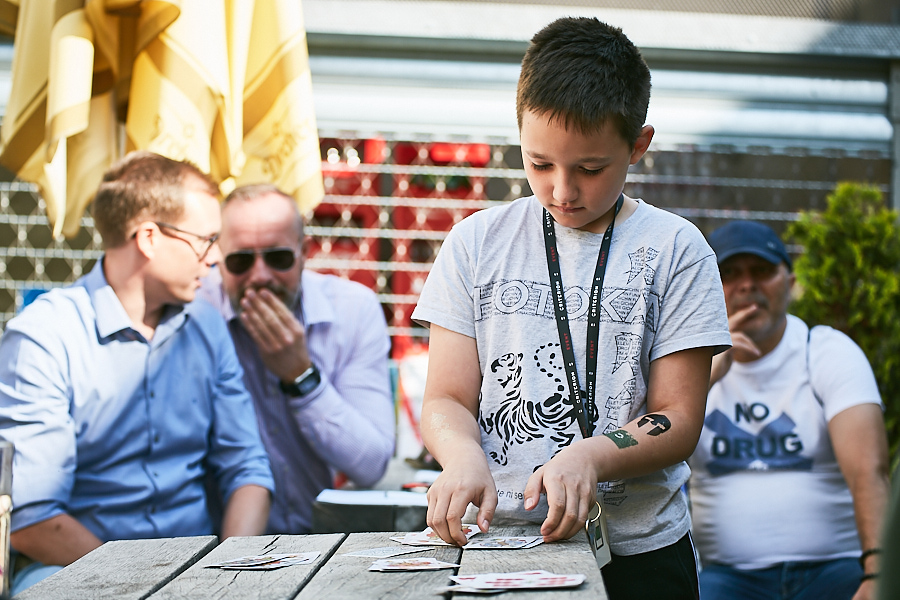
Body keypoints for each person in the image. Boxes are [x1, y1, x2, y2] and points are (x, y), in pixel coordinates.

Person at [411, 16, 731, 599]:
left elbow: (678, 418)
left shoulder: (676, 249)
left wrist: (591, 457)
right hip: (499, 542)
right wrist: (460, 457)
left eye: (589, 168)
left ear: (638, 145)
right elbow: (446, 398)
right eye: (539, 164)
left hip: (642, 553)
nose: (562, 190)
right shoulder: (475, 243)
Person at [0, 151, 275, 593]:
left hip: (200, 572)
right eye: (206, 239)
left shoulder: (206, 325)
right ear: (148, 237)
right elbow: (33, 520)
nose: (216, 257)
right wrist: (149, 585)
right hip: (70, 569)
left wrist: (226, 578)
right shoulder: (43, 337)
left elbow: (248, 470)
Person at [689, 220, 890, 600]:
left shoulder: (826, 351)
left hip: (835, 569)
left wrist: (878, 571)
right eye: (730, 274)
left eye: (762, 271)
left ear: (791, 282)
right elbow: (646, 448)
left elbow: (869, 470)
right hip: (729, 578)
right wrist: (712, 369)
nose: (747, 285)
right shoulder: (691, 368)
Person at [198, 184, 395, 534]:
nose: (260, 276)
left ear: (304, 253)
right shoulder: (198, 312)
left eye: (278, 258)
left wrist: (302, 377)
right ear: (218, 258)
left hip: (324, 543)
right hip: (220, 540)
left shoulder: (351, 310)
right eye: (241, 260)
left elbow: (371, 462)